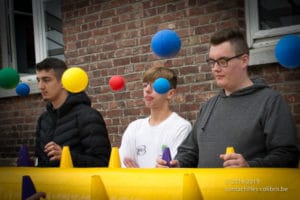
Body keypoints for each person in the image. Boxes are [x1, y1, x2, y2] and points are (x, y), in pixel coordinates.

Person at [157, 27, 299, 168]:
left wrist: (250, 166)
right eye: (212, 62)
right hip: (206, 191)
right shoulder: (209, 106)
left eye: (223, 61)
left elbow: (287, 155)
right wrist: (177, 164)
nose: (215, 69)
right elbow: (189, 152)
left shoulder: (270, 101)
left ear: (244, 60)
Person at [35, 57, 111, 167]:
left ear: (63, 82)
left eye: (46, 80)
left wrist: (67, 157)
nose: (40, 86)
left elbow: (103, 162)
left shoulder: (88, 116)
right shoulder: (43, 119)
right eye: (38, 80)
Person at [119, 66, 192, 168]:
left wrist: (138, 175)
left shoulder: (181, 127)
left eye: (156, 86)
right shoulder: (134, 128)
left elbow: (170, 169)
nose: (147, 90)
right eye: (145, 85)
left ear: (170, 94)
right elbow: (124, 165)